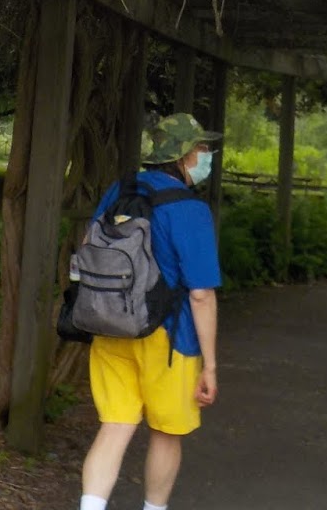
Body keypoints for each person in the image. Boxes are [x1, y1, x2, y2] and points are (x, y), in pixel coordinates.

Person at [79, 112, 222, 510]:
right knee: (165, 433)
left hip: (111, 325)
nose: (207, 155)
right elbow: (200, 295)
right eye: (202, 148)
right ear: (184, 155)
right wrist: (209, 366)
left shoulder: (119, 190)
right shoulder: (189, 209)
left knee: (115, 425)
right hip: (169, 338)